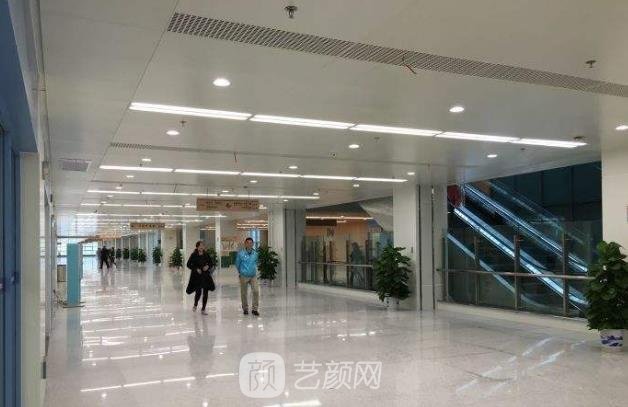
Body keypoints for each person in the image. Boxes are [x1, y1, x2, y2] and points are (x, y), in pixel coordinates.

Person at [186, 241, 215, 315]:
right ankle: (195, 304)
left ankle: (203, 309)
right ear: (197, 247)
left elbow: (211, 263)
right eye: (200, 246)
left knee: (206, 292)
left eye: (203, 246)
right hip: (197, 276)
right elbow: (188, 264)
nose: (202, 247)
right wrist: (196, 269)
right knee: (198, 292)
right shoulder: (193, 255)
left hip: (205, 276)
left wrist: (207, 266)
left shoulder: (206, 254)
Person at [235, 237, 260, 316]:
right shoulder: (241, 253)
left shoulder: (255, 254)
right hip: (244, 275)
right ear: (245, 244)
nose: (249, 244)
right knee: (244, 293)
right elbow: (237, 264)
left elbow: (256, 263)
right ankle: (245, 308)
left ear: (253, 244)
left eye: (251, 243)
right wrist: (241, 272)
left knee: (256, 291)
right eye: (248, 243)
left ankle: (254, 309)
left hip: (253, 276)